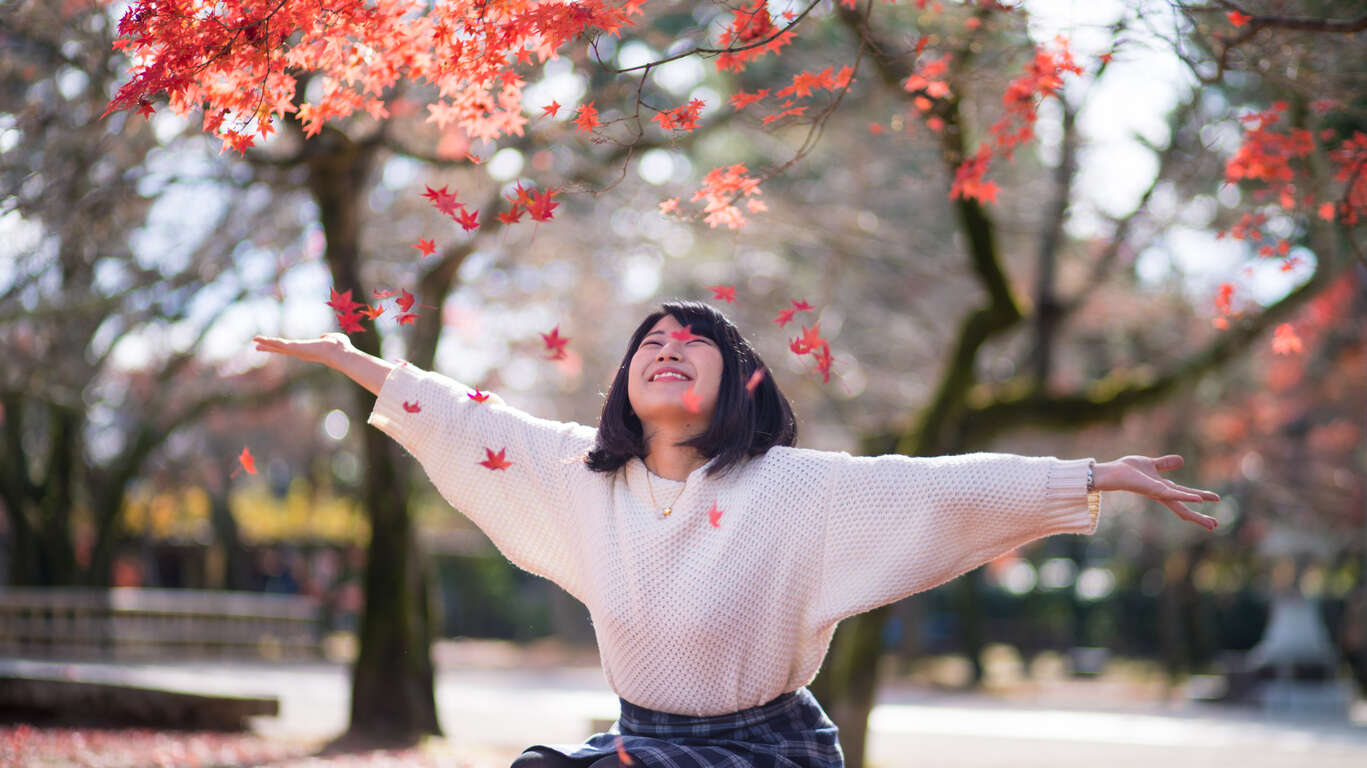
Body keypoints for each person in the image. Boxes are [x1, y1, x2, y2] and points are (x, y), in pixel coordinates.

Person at [252, 299, 1219, 768]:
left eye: (692, 344)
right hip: (643, 747)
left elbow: (931, 489)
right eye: (650, 345)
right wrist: (355, 364)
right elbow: (473, 417)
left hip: (763, 753)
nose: (665, 351)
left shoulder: (792, 489)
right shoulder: (580, 475)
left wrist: (1088, 476)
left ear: (737, 383)